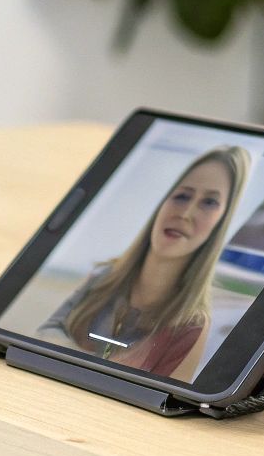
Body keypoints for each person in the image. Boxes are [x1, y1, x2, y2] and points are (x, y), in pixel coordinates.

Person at [41, 145, 251, 381]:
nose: (186, 213)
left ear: (221, 223)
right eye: (182, 196)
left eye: (209, 203)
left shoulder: (191, 326)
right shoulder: (106, 275)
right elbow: (46, 332)